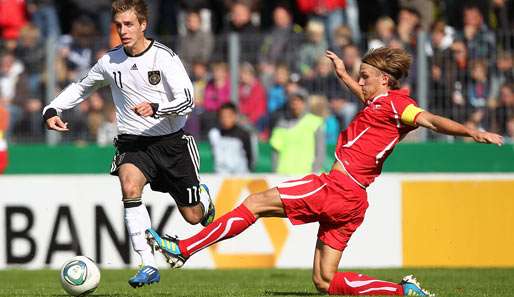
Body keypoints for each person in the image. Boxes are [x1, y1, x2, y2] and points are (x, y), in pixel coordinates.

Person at [146, 47, 503, 296]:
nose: (361, 84)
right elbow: (368, 99)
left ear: (385, 79)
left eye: (365, 77)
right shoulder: (381, 101)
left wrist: (472, 132)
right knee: (324, 281)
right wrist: (345, 75)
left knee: (254, 203)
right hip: (354, 200)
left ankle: (185, 248)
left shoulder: (399, 104)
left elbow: (430, 120)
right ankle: (403, 292)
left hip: (336, 187)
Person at [41, 0, 215, 288]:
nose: (123, 30)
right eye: (119, 25)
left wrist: (157, 106)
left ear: (143, 25)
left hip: (170, 143)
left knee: (194, 216)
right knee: (129, 186)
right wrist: (52, 108)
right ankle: (148, 263)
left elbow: (188, 100)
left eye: (129, 24)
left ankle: (204, 200)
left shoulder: (165, 58)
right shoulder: (110, 61)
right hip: (133, 143)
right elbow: (82, 87)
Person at [208, 102, 255, 174]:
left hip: (241, 176)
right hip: (219, 177)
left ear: (235, 116)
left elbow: (251, 157)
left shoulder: (244, 134)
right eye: (223, 116)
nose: (226, 119)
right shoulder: (214, 134)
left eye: (229, 116)